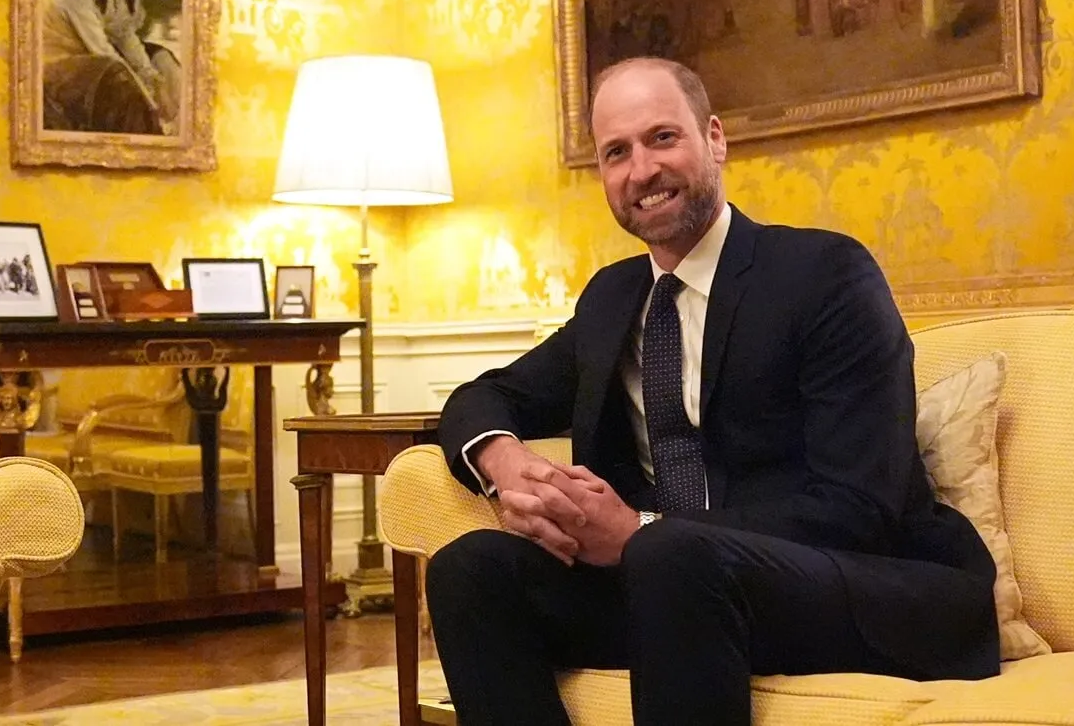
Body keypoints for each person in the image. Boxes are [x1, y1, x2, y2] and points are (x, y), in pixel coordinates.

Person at [426, 57, 1000, 726]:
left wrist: (639, 530)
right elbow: (484, 396)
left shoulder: (825, 275)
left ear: (715, 139)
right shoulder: (614, 299)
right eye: (617, 153)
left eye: (661, 138)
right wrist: (506, 466)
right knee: (470, 569)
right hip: (677, 591)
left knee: (670, 555)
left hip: (864, 583)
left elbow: (858, 507)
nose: (641, 170)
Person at [42, 0, 179, 135]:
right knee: (117, 74)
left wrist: (150, 75)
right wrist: (149, 100)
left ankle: (178, 126)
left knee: (161, 57)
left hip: (89, 56)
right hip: (56, 64)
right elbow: (101, 49)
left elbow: (125, 37)